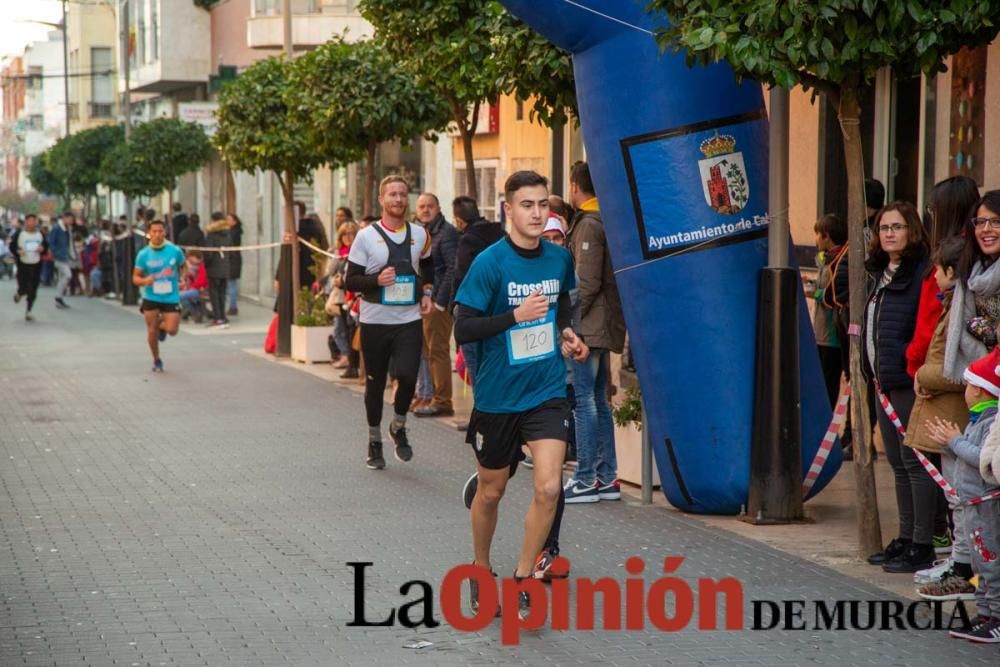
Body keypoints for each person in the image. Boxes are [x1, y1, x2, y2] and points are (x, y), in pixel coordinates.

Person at [455, 171, 588, 613]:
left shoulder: (558, 258)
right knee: (491, 492)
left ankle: (522, 577)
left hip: (547, 388)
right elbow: (464, 328)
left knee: (549, 487)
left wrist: (567, 333)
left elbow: (563, 303)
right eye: (526, 205)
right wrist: (514, 315)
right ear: (507, 209)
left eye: (542, 205)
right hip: (498, 397)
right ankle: (479, 566)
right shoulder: (490, 263)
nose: (536, 213)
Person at [862, 202, 934, 573]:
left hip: (907, 383)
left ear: (913, 231)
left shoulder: (922, 273)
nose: (889, 233)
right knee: (896, 463)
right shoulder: (879, 274)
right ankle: (905, 537)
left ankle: (922, 544)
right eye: (884, 228)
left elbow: (921, 329)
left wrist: (909, 365)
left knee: (915, 462)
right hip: (882, 381)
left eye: (897, 227)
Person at [344, 176, 433, 469]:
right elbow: (350, 280)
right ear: (382, 200)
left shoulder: (419, 234)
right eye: (392, 194)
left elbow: (428, 266)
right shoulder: (366, 237)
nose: (398, 199)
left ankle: (397, 424)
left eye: (402, 194)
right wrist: (376, 280)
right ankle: (374, 439)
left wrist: (428, 292)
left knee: (408, 377)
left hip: (408, 319)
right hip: (375, 321)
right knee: (375, 383)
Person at [907, 236, 975, 599]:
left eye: (937, 269)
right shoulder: (952, 304)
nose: (933, 276)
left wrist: (921, 376)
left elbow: (957, 369)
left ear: (952, 271)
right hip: (945, 412)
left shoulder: (962, 310)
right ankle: (960, 562)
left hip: (953, 415)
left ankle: (964, 565)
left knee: (959, 493)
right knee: (955, 494)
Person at [562, 161, 626, 504]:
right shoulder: (606, 219)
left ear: (575, 186)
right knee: (599, 400)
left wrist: (567, 323)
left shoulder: (588, 225)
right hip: (603, 324)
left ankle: (585, 478)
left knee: (585, 401)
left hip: (588, 326)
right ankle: (607, 477)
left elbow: (585, 283)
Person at [926, 349, 1000, 642]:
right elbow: (964, 454)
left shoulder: (991, 423)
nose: (964, 392)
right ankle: (984, 612)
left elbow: (984, 458)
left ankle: (996, 614)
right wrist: (950, 443)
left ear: (981, 391)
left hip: (986, 506)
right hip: (971, 505)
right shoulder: (976, 420)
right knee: (979, 565)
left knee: (991, 561)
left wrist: (954, 441)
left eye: (968, 386)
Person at [945, 190, 1000, 383]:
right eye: (980, 222)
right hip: (981, 378)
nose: (986, 229)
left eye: (996, 222)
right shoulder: (972, 271)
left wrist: (984, 329)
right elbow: (966, 324)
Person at [450, 196, 504, 384]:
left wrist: (454, 308)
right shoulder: (500, 233)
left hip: (475, 310)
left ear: (458, 219)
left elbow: (461, 277)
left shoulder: (467, 240)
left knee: (476, 370)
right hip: (501, 307)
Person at [415, 192, 459, 417]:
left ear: (438, 208)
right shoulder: (419, 232)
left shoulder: (447, 233)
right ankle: (430, 395)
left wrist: (440, 303)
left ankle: (442, 401)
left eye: (429, 206)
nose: (425, 210)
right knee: (427, 351)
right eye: (421, 206)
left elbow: (452, 268)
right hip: (423, 300)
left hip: (438, 304)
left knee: (438, 351)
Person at [132, 220, 186, 373]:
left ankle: (161, 325)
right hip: (151, 296)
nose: (157, 234)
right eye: (154, 231)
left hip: (170, 296)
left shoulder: (174, 250)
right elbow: (135, 278)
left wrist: (183, 279)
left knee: (172, 329)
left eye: (160, 231)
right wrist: (145, 280)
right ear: (149, 234)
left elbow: (183, 266)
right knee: (151, 331)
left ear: (165, 232)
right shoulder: (143, 254)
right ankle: (156, 359)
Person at [813, 213, 847, 408]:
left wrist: (816, 293)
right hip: (820, 332)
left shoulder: (839, 260)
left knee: (829, 383)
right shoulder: (824, 259)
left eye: (818, 234)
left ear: (827, 235)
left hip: (831, 334)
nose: (815, 239)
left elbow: (832, 292)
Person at [327, 221, 359, 371]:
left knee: (345, 329)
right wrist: (337, 255)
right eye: (344, 234)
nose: (347, 237)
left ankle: (349, 359)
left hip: (350, 295)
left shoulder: (358, 251)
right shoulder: (339, 252)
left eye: (350, 233)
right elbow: (331, 270)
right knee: (339, 329)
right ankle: (346, 356)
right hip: (340, 296)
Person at [10, 214, 47, 321]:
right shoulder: (20, 233)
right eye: (30, 221)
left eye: (34, 221)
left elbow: (45, 247)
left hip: (36, 264)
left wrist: (42, 249)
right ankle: (20, 293)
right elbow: (12, 246)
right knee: (24, 286)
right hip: (23, 264)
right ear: (26, 222)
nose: (32, 223)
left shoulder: (40, 234)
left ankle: (29, 311)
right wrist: (18, 251)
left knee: (33, 289)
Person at [204, 212, 232, 328]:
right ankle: (223, 316)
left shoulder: (211, 235)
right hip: (225, 267)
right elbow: (231, 251)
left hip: (214, 268)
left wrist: (207, 264)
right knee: (222, 293)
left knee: (214, 294)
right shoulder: (227, 234)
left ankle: (217, 317)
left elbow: (208, 253)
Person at [48, 210, 77, 309]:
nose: (71, 221)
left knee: (62, 277)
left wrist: (72, 254)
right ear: (64, 218)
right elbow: (51, 241)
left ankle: (59, 298)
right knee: (68, 275)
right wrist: (55, 252)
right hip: (59, 256)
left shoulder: (68, 229)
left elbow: (69, 243)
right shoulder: (56, 228)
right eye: (70, 219)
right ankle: (58, 297)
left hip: (65, 255)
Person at [179, 249, 208, 323]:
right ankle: (196, 314)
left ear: (195, 257)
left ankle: (195, 313)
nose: (189, 261)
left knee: (178, 296)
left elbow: (202, 281)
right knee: (183, 297)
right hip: (196, 288)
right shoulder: (194, 266)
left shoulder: (202, 266)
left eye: (190, 259)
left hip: (201, 289)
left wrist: (189, 288)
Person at [225, 213, 243, 317]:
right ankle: (232, 306)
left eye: (229, 219)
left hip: (233, 261)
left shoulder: (234, 233)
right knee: (231, 284)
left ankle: (233, 307)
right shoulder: (231, 232)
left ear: (234, 221)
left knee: (232, 284)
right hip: (233, 260)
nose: (227, 221)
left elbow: (231, 247)